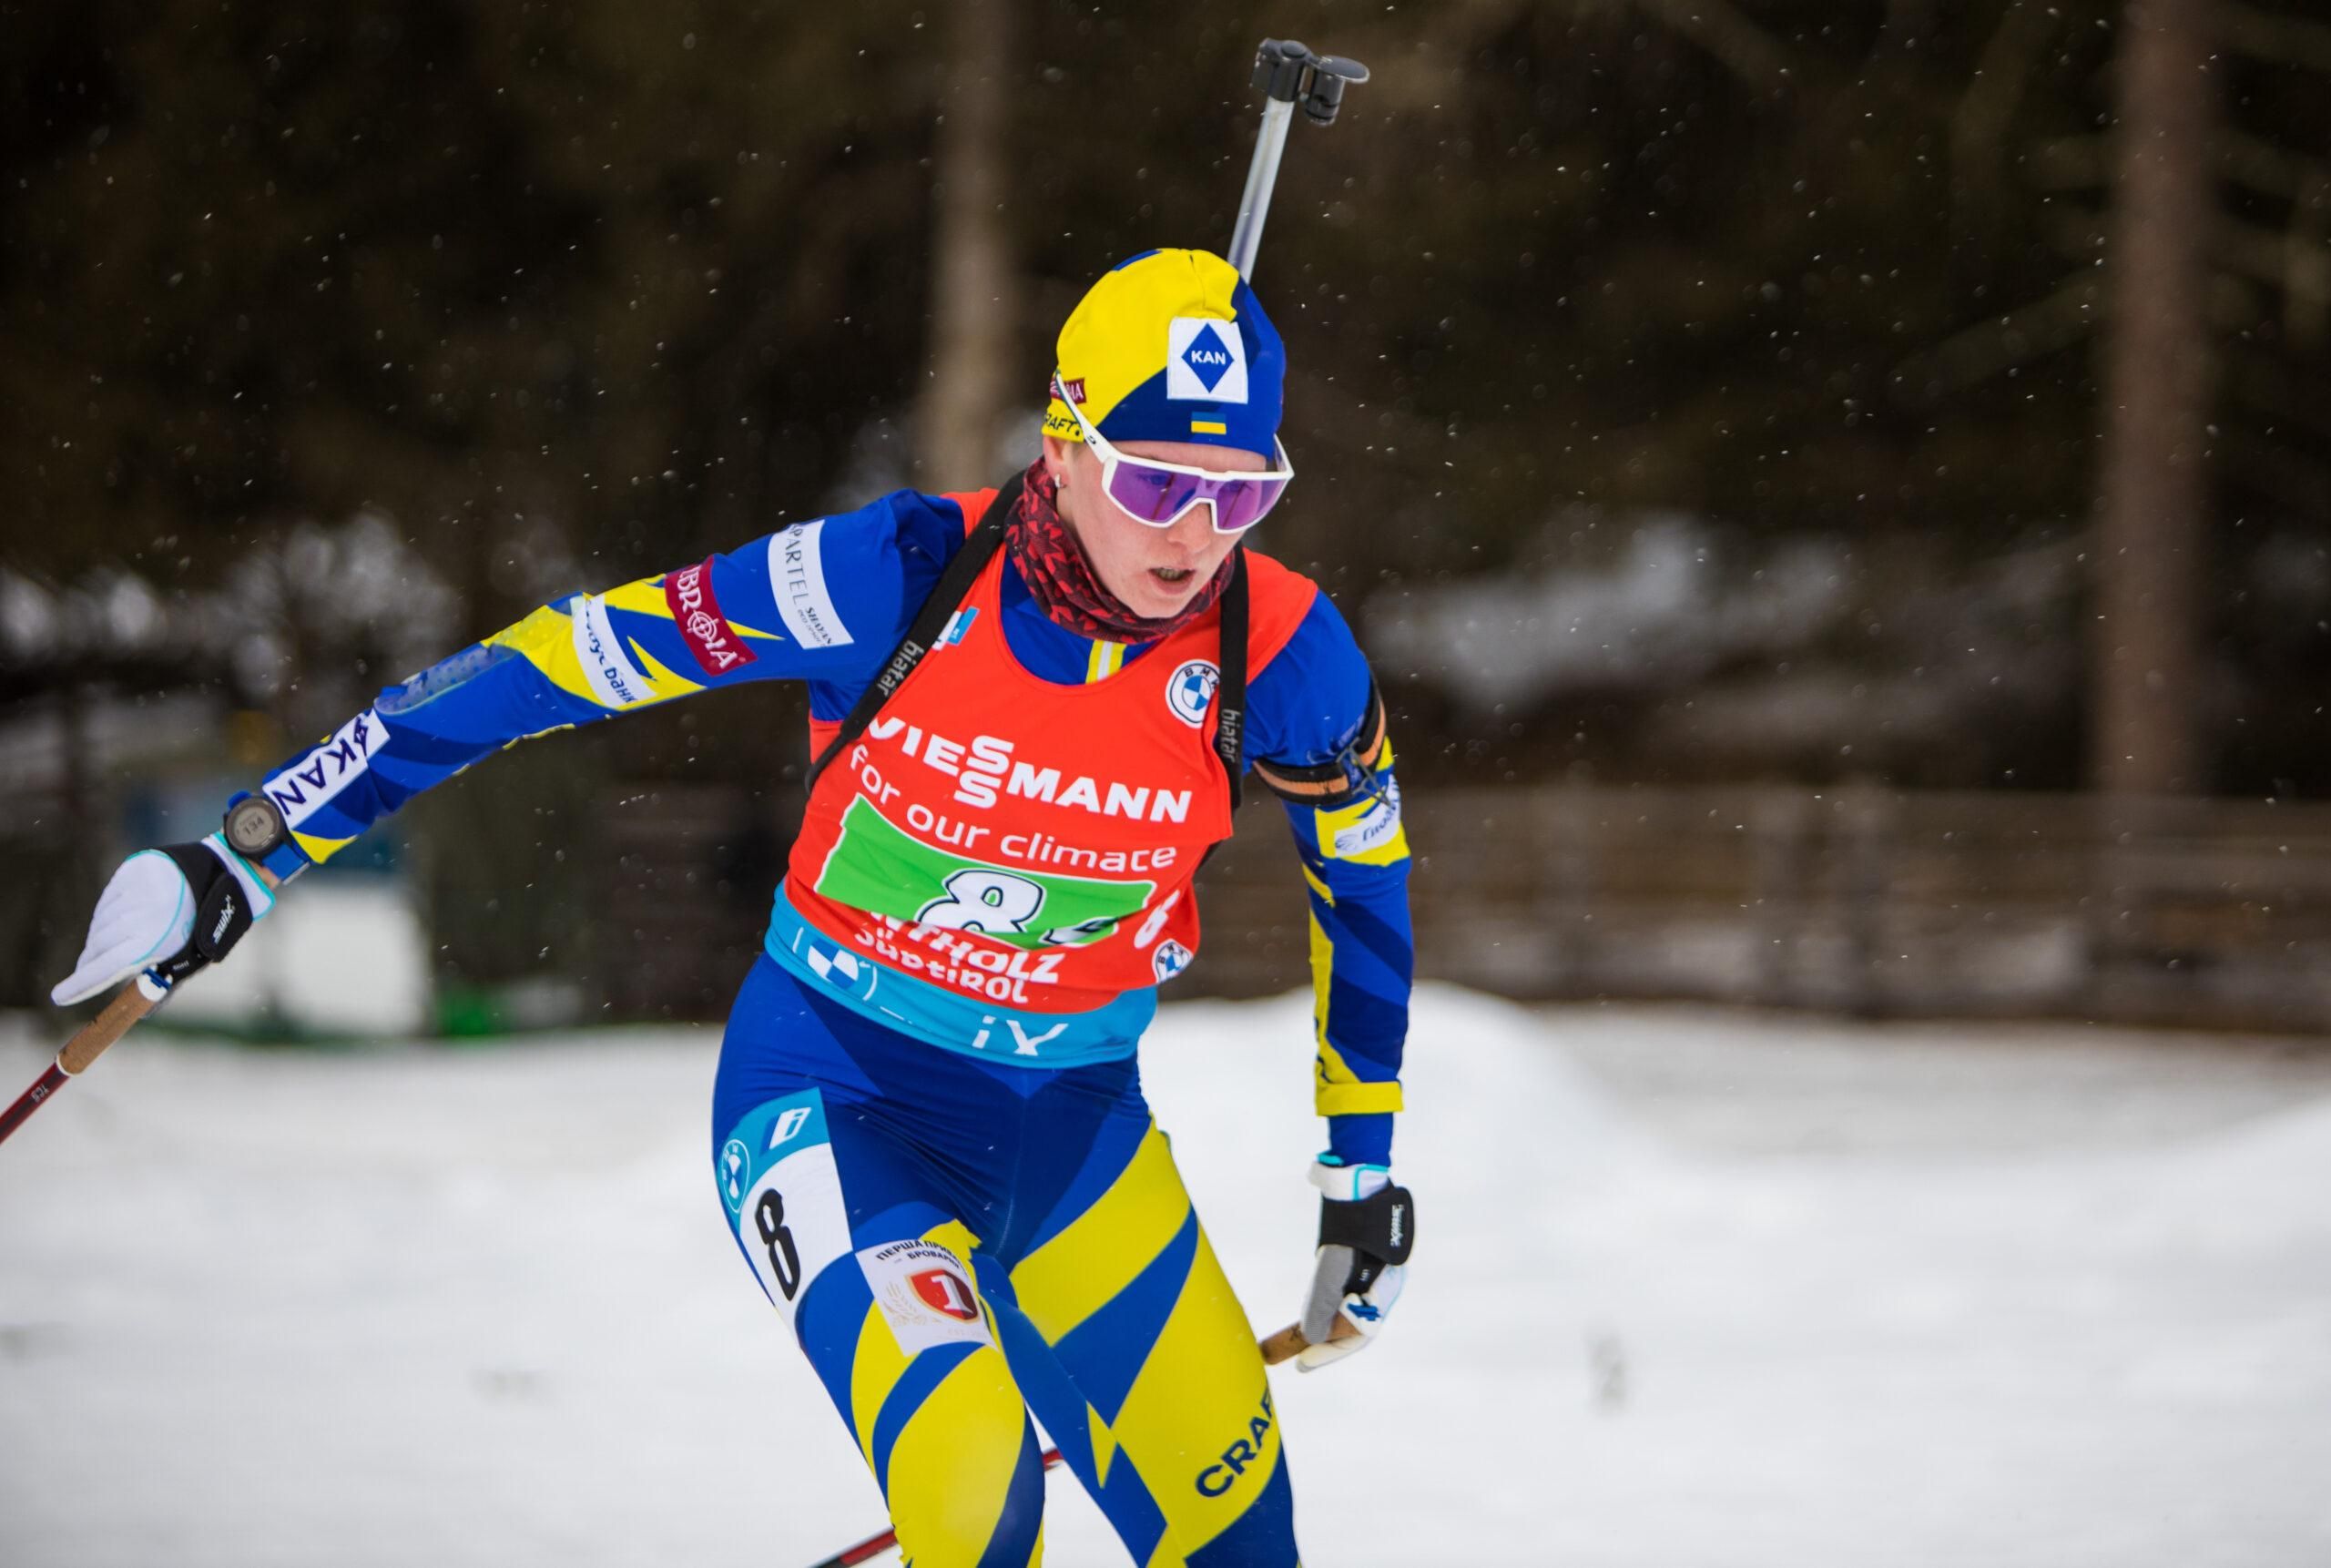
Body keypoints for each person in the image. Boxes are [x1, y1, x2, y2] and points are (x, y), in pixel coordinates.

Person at [52, 248, 1414, 1566]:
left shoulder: (1286, 656)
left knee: (1245, 1543)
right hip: (836, 1094)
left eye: (1241, 494)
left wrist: (1359, 1172)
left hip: (1073, 1132)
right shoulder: (896, 577)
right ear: (1060, 446)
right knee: (979, 1488)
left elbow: (1364, 886)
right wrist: (253, 844)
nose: (1196, 533)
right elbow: (567, 661)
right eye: (1159, 477)